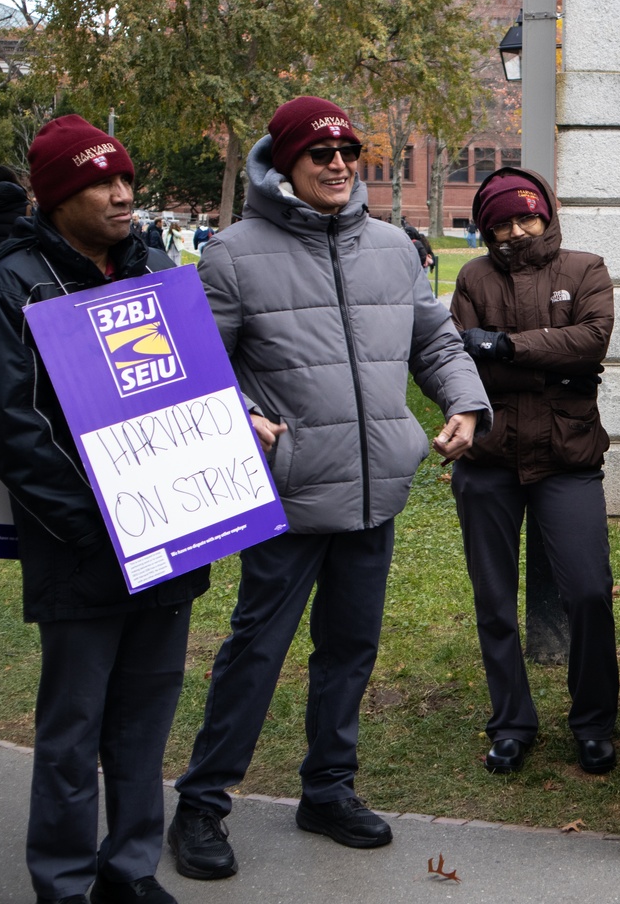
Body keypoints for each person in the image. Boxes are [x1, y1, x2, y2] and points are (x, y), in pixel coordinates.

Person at [168, 96, 490, 879]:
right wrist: (240, 413)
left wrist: (466, 402)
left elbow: (435, 341)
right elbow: (198, 371)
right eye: (320, 154)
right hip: (290, 495)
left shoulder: (392, 249)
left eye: (348, 151)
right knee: (256, 651)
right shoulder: (232, 255)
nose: (340, 164)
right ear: (283, 165)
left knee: (349, 650)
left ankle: (329, 789)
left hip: (376, 489)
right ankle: (203, 804)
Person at [0, 115, 210, 904]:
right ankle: (65, 883)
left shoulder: (156, 268)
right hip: (80, 548)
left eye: (126, 179)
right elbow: (9, 426)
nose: (122, 194)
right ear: (57, 194)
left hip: (171, 539)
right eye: (102, 182)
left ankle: (129, 871)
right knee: (73, 731)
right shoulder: (13, 284)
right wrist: (101, 520)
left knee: (144, 720)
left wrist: (234, 423)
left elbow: (190, 384)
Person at [450, 167, 620, 776]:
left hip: (567, 458)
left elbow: (594, 340)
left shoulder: (585, 268)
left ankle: (595, 721)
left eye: (528, 217)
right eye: (502, 222)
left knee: (589, 592)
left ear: (546, 214)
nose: (518, 231)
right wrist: (553, 358)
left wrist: (507, 346)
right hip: (490, 460)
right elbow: (463, 358)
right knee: (494, 600)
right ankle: (511, 722)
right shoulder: (473, 277)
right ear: (486, 227)